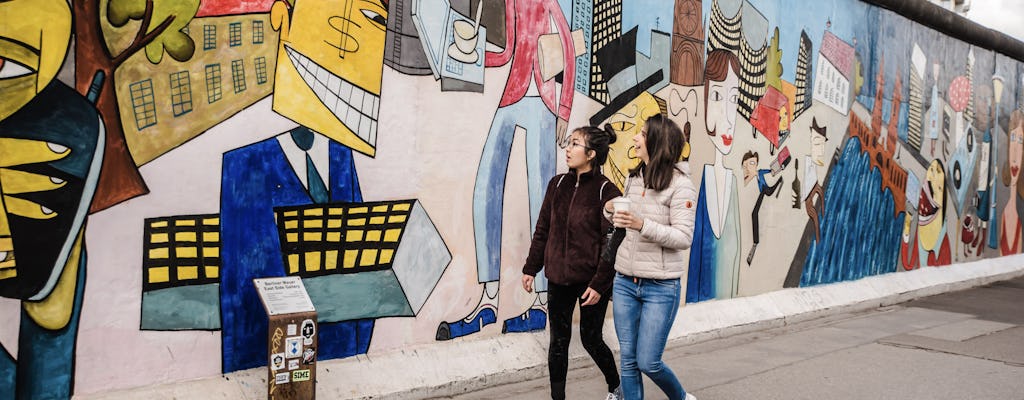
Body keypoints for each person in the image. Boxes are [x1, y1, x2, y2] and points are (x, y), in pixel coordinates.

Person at [522, 125, 622, 400]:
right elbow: (543, 228)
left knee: (591, 339)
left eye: (575, 144)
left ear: (590, 154)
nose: (568, 148)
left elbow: (611, 243)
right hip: (558, 277)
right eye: (569, 143)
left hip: (591, 282)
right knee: (558, 343)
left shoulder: (607, 191)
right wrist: (531, 268)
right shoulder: (557, 185)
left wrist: (600, 285)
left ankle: (616, 386)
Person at [605, 114, 699, 400]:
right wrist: (609, 210)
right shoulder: (634, 178)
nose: (635, 138)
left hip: (661, 285)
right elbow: (622, 222)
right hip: (624, 281)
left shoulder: (681, 185)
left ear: (657, 142)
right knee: (629, 361)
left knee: (648, 361)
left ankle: (681, 397)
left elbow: (683, 237)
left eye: (642, 134)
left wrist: (642, 225)